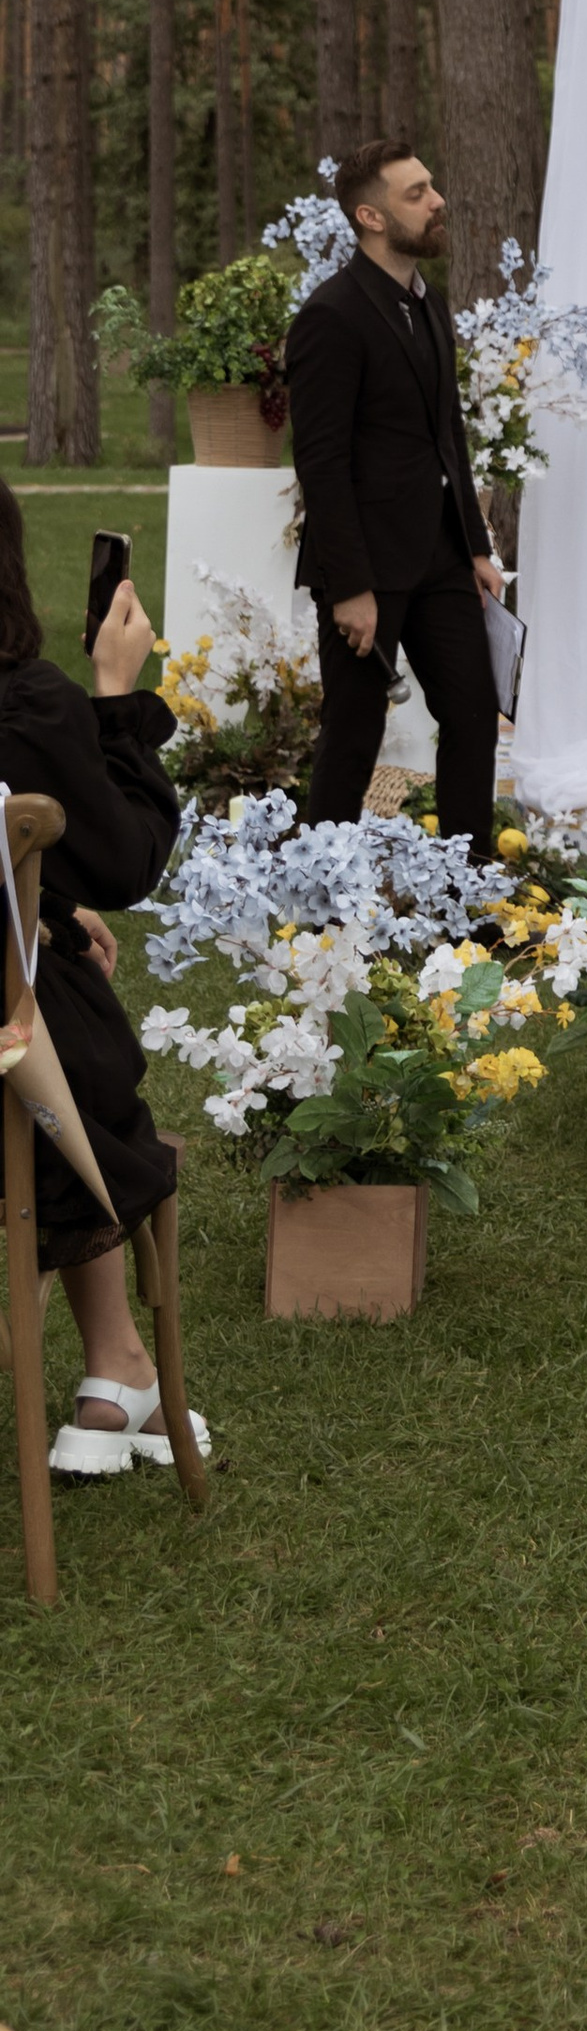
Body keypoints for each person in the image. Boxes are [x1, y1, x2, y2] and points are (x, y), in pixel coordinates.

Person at [0, 480, 205, 1480]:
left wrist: (35, 901)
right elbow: (125, 862)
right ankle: (120, 1369)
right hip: (18, 1077)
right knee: (72, 1079)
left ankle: (113, 1373)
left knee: (58, 988)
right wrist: (118, 696)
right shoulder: (25, 702)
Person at [287, 139, 507, 862]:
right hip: (365, 570)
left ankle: (465, 890)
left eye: (431, 185)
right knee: (353, 735)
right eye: (416, 193)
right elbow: (320, 461)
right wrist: (349, 586)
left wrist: (475, 544)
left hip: (441, 555)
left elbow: (448, 431)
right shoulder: (331, 316)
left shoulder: (427, 299)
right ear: (370, 216)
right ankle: (322, 901)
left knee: (474, 715)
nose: (437, 200)